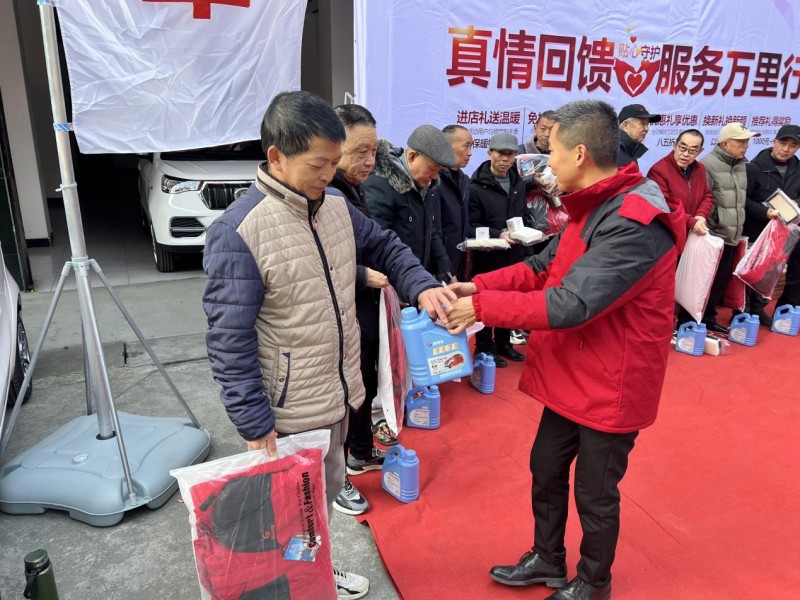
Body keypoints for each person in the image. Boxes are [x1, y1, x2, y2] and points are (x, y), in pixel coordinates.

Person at [202, 90, 456, 600]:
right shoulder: (239, 230)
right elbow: (229, 340)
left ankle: (315, 574)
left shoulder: (336, 206)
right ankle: (288, 587)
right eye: (319, 164)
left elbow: (384, 245)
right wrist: (253, 420)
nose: (329, 173)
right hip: (287, 411)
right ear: (277, 156)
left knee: (319, 501)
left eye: (334, 162)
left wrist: (422, 285)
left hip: (338, 395)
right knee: (283, 514)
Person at [445, 99, 684, 600]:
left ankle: (594, 582)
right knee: (547, 466)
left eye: (550, 151)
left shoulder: (635, 219)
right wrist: (478, 286)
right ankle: (547, 557)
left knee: (595, 492)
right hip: (577, 366)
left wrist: (482, 308)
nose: (545, 161)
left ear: (579, 154)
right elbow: (542, 267)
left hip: (614, 379)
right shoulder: (591, 203)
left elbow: (572, 302)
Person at [328, 103, 386, 517]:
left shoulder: (353, 188)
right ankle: (336, 479)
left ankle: (360, 452)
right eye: (360, 151)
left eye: (374, 151)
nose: (369, 161)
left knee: (364, 382)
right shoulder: (325, 192)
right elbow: (316, 263)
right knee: (342, 397)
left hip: (363, 310)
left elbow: (375, 241)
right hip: (335, 318)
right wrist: (363, 274)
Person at [363, 125, 457, 281]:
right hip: (392, 279)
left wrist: (445, 271)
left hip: (416, 278)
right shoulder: (381, 184)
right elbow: (378, 241)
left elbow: (431, 231)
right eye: (432, 169)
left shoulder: (425, 187)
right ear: (412, 157)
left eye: (438, 171)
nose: (435, 176)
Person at [468, 132, 527, 366]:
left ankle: (504, 344)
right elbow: (470, 225)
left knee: (509, 301)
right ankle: (484, 347)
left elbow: (522, 214)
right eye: (500, 153)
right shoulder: (475, 186)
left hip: (515, 254)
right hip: (488, 256)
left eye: (510, 154)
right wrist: (498, 234)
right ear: (489, 153)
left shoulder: (518, 182)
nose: (505, 159)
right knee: (486, 301)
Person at [701, 122, 761, 334]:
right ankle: (694, 320)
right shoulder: (707, 165)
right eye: (741, 141)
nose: (746, 145)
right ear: (725, 143)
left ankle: (708, 318)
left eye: (747, 141)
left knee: (721, 281)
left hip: (733, 233)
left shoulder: (742, 165)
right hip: (715, 235)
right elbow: (705, 200)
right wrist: (711, 232)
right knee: (706, 282)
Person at [744, 124, 800, 323]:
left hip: (786, 231)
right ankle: (743, 311)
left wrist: (795, 205)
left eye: (792, 145)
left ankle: (759, 309)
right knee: (752, 272)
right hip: (757, 229)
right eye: (783, 143)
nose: (786, 149)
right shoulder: (754, 167)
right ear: (774, 142)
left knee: (770, 273)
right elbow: (743, 200)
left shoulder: (798, 169)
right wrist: (764, 212)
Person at [647, 129, 713, 238]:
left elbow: (707, 196)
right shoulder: (659, 170)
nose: (686, 154)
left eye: (692, 151)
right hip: (668, 234)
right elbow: (663, 206)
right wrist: (690, 221)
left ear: (700, 151)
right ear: (674, 145)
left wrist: (701, 215)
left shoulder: (700, 168)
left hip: (693, 233)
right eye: (682, 148)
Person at [432, 124, 474, 281]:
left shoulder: (465, 181)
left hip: (461, 264)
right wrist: (446, 272)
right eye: (466, 146)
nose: (470, 153)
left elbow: (466, 225)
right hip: (440, 269)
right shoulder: (434, 180)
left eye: (471, 146)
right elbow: (434, 232)